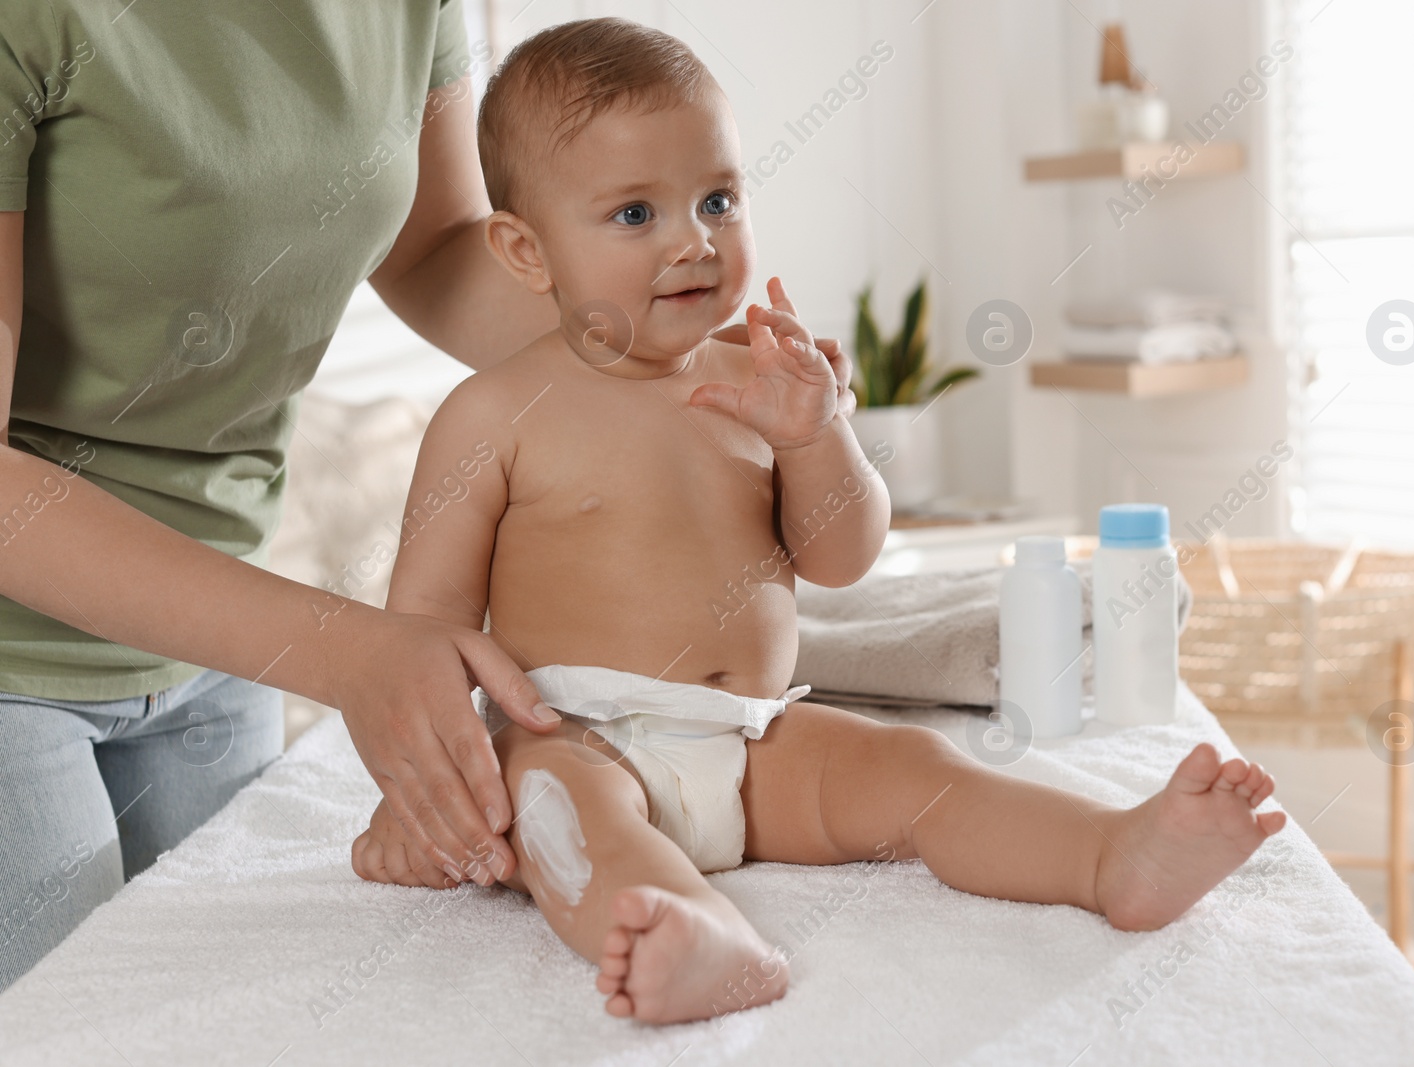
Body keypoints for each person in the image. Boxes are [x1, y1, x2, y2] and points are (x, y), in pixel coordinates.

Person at [350, 16, 1289, 1025]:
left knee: (915, 768)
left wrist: (814, 438)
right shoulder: (493, 413)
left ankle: (1111, 854)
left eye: (718, 198)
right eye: (634, 213)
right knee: (559, 820)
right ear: (525, 250)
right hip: (583, 736)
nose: (693, 240)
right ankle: (696, 930)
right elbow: (419, 635)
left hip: (757, 744)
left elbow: (840, 558)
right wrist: (422, 794)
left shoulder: (756, 384)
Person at [0, 3, 864, 992]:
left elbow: (439, 249)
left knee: (228, 1008)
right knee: (64, 1014)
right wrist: (344, 650)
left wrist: (682, 365)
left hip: (219, 623)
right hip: (21, 646)